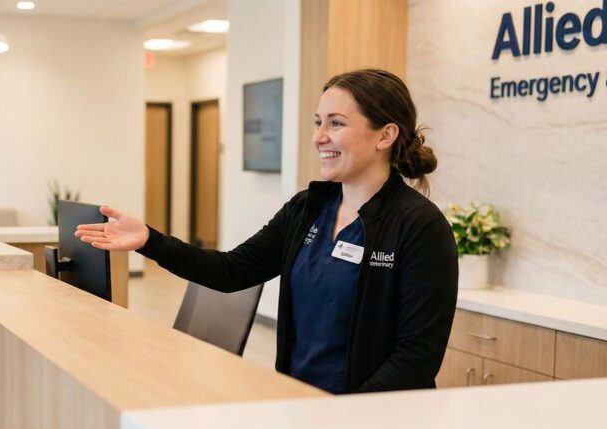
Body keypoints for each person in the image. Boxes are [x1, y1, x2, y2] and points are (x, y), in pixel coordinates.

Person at [76, 68, 457, 394]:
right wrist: (149, 240)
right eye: (318, 121)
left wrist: (348, 421)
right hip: (298, 403)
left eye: (336, 123)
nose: (319, 136)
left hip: (374, 426)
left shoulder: (420, 227)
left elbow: (416, 357)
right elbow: (231, 271)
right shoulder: (308, 208)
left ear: (385, 135)